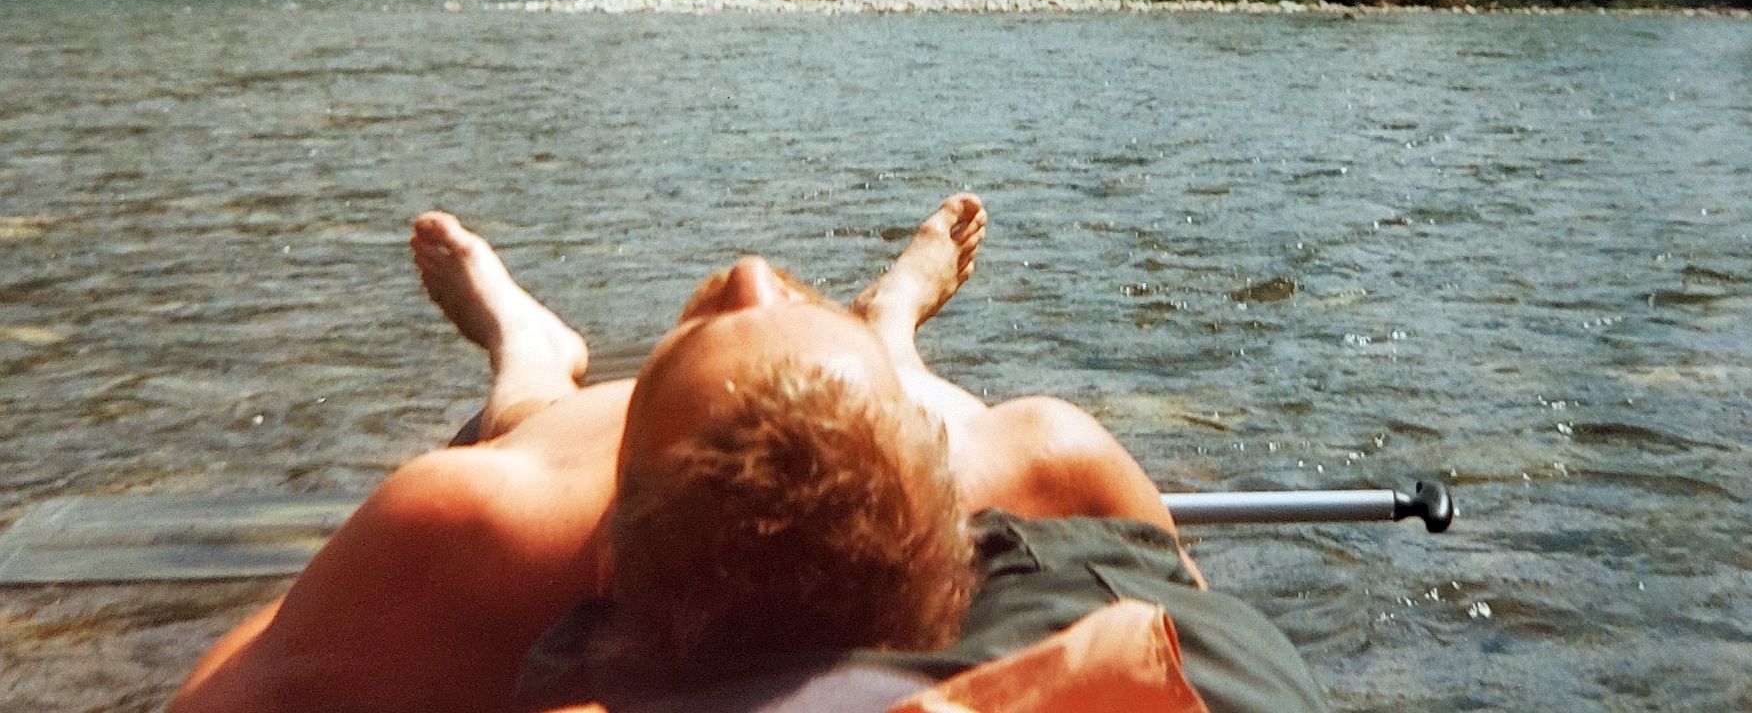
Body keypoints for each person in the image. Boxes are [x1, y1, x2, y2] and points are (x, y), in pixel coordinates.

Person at [168, 195, 1326, 713]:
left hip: (568, 503)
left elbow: (225, 692)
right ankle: (885, 331)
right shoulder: (1037, 460)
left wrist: (491, 618)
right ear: (952, 522)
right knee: (916, 402)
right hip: (922, 455)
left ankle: (529, 352)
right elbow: (1190, 615)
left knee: (533, 419)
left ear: (604, 561)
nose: (750, 268)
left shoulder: (505, 516)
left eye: (716, 318)